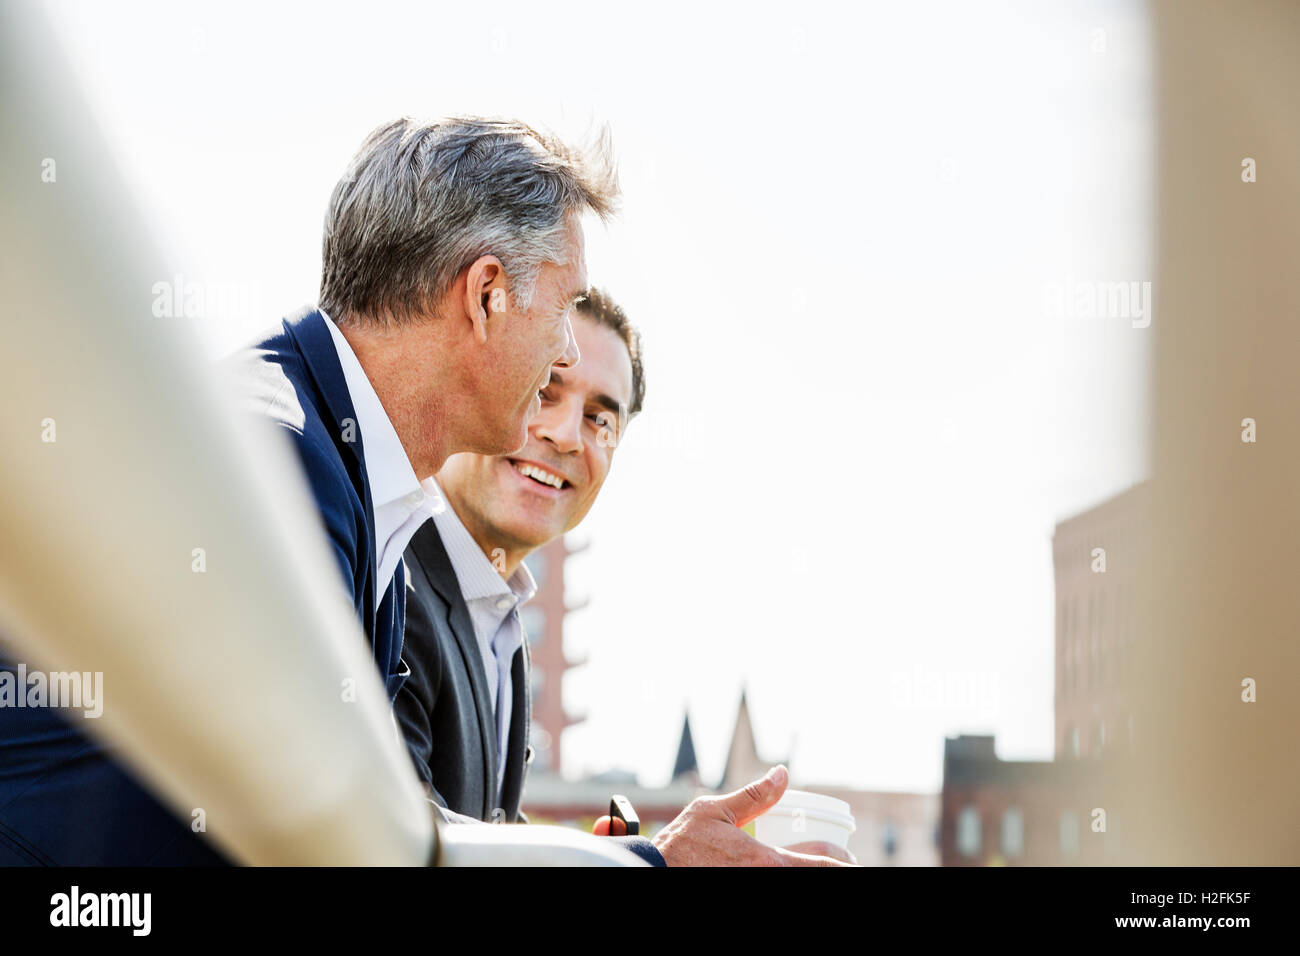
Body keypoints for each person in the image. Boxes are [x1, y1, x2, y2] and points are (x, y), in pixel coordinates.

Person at [0, 115, 617, 865]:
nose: (565, 350)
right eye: (563, 309)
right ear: (486, 294)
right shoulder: (282, 463)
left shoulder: (340, 467)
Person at [396, 290, 852, 866]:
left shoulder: (501, 625)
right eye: (544, 391)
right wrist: (642, 863)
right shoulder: (388, 575)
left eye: (600, 418)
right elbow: (388, 836)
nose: (566, 435)